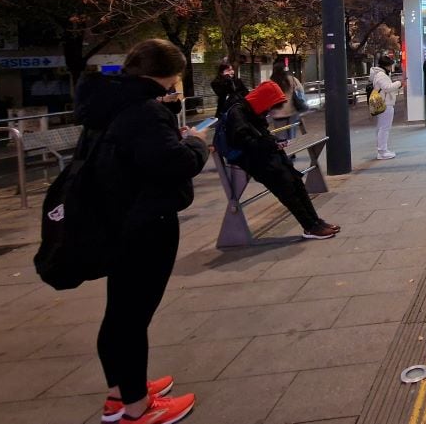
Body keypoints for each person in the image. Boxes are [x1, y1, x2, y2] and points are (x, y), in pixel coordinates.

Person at [76, 39, 208, 424]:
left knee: (119, 311)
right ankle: (138, 408)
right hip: (144, 223)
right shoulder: (143, 111)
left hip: (113, 219)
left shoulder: (107, 103)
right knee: (132, 316)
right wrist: (197, 144)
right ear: (168, 73)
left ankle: (122, 391)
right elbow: (174, 163)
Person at [223, 81, 339, 239]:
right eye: (270, 105)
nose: (270, 110)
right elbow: (247, 143)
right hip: (254, 161)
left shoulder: (251, 109)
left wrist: (275, 143)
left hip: (266, 155)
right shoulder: (238, 113)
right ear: (264, 99)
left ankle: (315, 221)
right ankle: (310, 226)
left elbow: (261, 136)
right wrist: (272, 144)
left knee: (295, 180)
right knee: (286, 186)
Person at [370, 54, 404, 159]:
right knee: (384, 128)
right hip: (385, 103)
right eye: (390, 65)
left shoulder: (379, 74)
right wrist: (399, 82)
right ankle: (382, 151)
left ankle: (382, 149)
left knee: (381, 127)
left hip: (384, 102)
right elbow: (387, 88)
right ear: (386, 65)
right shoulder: (381, 75)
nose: (391, 68)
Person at [268, 63, 304, 145]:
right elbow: (301, 90)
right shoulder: (292, 79)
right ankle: (292, 151)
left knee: (280, 135)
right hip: (292, 111)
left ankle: (285, 153)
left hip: (277, 112)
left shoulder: (271, 82)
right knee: (292, 133)